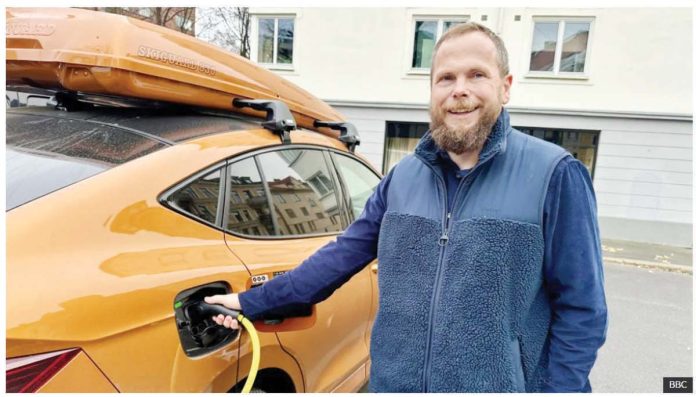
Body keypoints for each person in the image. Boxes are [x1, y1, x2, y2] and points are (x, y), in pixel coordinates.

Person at [205, 21, 607, 393]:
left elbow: (583, 312)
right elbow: (339, 257)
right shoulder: (403, 178)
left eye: (476, 75)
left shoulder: (555, 174)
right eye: (445, 78)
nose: (459, 89)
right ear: (431, 90)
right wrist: (250, 302)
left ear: (505, 87)